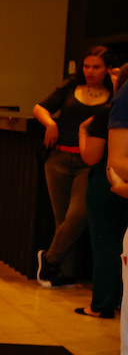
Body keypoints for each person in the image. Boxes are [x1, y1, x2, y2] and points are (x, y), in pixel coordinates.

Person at [33, 47, 115, 287]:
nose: (89, 71)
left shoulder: (114, 94)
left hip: (88, 163)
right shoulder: (71, 87)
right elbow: (40, 107)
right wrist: (50, 124)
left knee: (78, 215)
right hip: (58, 159)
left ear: (107, 69)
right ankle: (65, 273)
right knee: (62, 219)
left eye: (96, 67)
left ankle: (48, 258)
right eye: (86, 66)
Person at [77, 60, 127, 318]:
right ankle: (121, 300)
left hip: (105, 184)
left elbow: (91, 156)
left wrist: (82, 131)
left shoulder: (107, 112)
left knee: (105, 245)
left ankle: (101, 304)